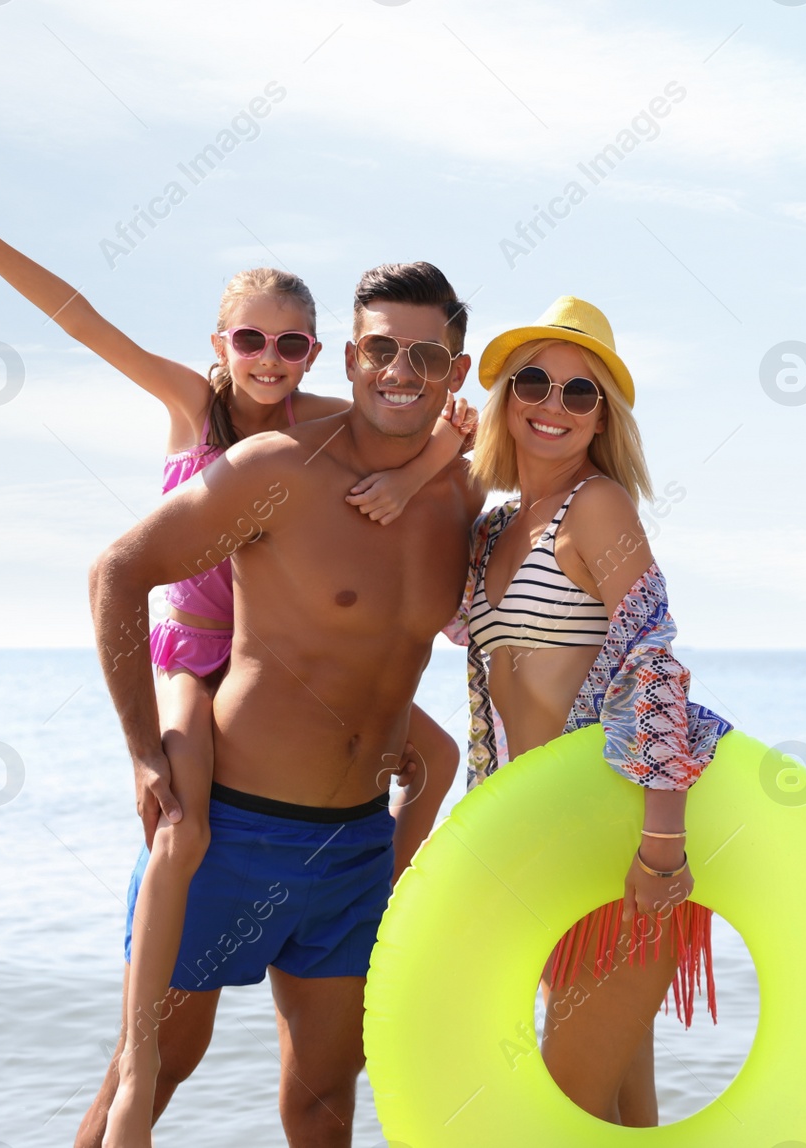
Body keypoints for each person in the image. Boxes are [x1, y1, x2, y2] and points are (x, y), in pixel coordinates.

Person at [79, 260, 482, 1146]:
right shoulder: (278, 467)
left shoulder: (461, 488)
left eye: (426, 355)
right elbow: (119, 572)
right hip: (232, 831)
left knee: (324, 1102)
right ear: (348, 355)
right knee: (142, 1089)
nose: (400, 371)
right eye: (380, 348)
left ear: (455, 371)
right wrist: (146, 749)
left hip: (355, 851)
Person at [458, 297, 731, 1126]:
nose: (554, 405)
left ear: (603, 416)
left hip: (617, 849)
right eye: (535, 381)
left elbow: (654, 656)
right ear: (507, 396)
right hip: (545, 851)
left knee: (556, 1118)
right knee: (617, 1119)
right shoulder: (495, 528)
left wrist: (661, 842)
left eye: (582, 393)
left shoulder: (598, 505)